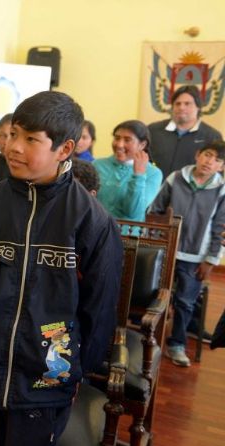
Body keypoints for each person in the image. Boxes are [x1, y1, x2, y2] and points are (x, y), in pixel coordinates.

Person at [0, 91, 122, 446]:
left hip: (46, 380)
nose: (14, 146)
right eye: (13, 134)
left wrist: (71, 372)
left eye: (31, 139)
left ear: (64, 149)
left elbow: (98, 311)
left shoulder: (92, 221)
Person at [148, 141, 225, 367]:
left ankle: (176, 344)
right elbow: (155, 211)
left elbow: (221, 228)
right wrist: (157, 243)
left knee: (185, 303)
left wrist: (211, 260)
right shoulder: (175, 178)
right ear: (197, 155)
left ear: (221, 167)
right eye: (208, 155)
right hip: (167, 250)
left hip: (196, 259)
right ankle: (149, 338)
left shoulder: (221, 190)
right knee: (155, 296)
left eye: (217, 160)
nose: (210, 162)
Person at [93, 120, 163, 221]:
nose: (119, 145)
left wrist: (139, 175)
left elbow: (133, 212)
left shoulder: (153, 173)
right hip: (94, 229)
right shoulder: (97, 165)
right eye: (117, 138)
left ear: (142, 145)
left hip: (128, 234)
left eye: (127, 140)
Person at [149, 85, 223, 177]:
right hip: (154, 189)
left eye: (187, 104)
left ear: (198, 107)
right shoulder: (153, 130)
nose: (182, 107)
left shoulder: (212, 136)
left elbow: (216, 174)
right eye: (178, 103)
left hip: (190, 190)